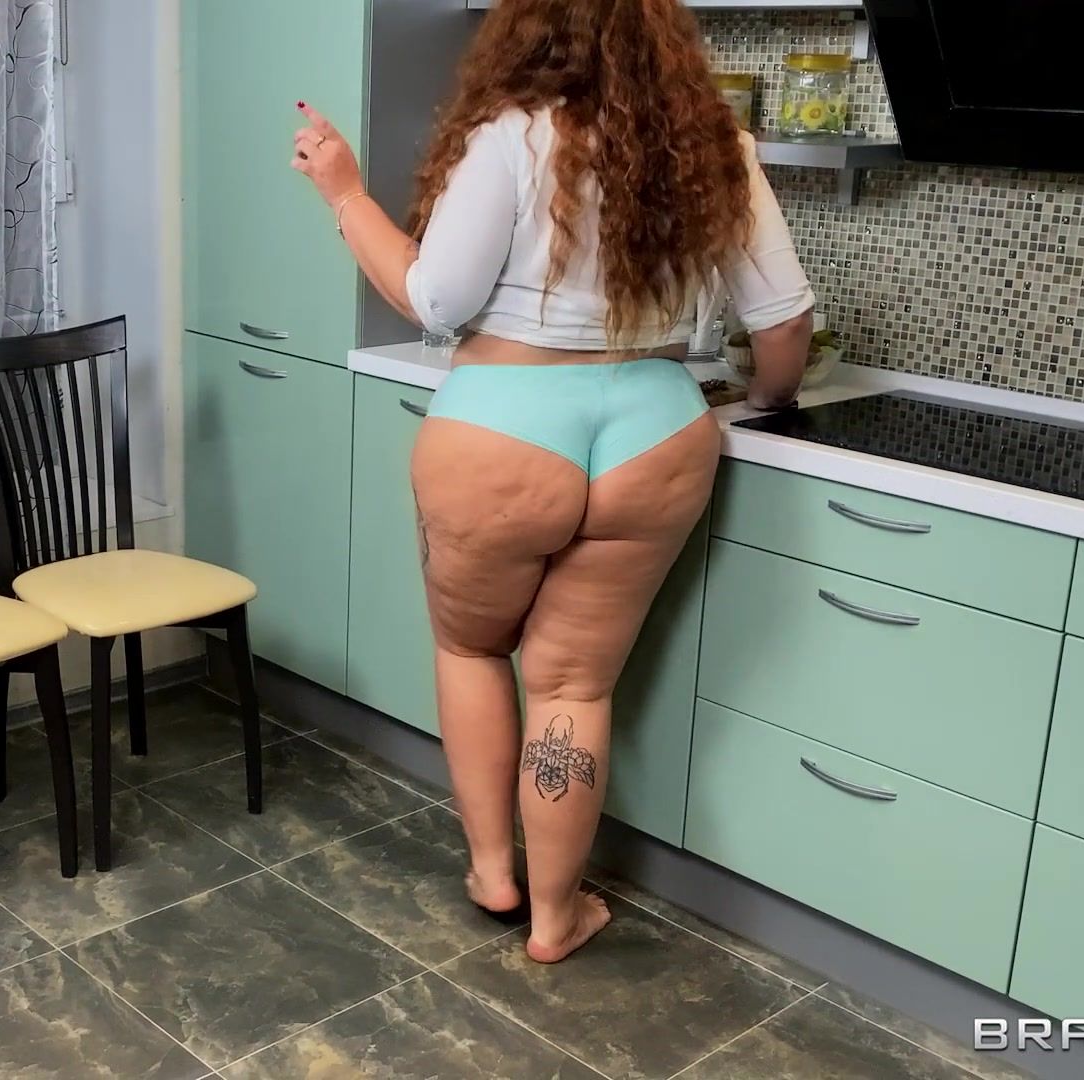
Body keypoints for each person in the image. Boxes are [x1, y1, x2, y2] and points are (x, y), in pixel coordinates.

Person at [290, 0, 813, 963]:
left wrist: (345, 193)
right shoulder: (717, 145)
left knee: (473, 650)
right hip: (655, 431)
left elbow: (435, 298)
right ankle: (556, 917)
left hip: (503, 432)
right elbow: (781, 324)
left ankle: (495, 871)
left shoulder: (512, 133)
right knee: (574, 686)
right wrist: (767, 400)